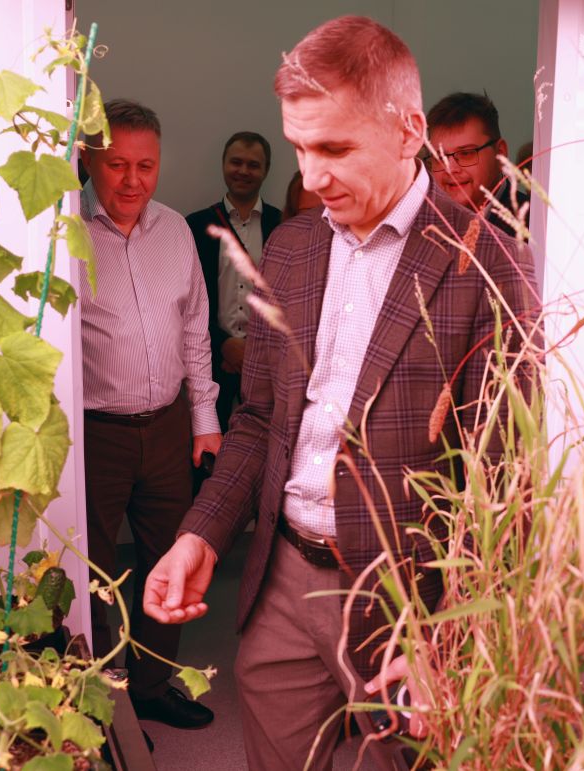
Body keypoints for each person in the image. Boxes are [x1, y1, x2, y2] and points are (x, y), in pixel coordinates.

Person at [143, 17, 539, 769]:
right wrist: (201, 533)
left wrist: (450, 632)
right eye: (298, 147)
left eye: (334, 148)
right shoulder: (291, 247)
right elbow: (259, 419)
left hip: (407, 603)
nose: (313, 175)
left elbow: (503, 484)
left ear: (409, 131)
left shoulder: (492, 266)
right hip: (281, 582)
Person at [78, 98, 221, 729]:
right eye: (117, 165)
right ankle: (98, 704)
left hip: (167, 427)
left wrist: (205, 418)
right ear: (88, 160)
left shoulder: (175, 229)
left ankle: (152, 687)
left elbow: (195, 327)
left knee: (170, 557)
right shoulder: (64, 233)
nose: (133, 181)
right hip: (94, 433)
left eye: (146, 165)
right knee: (92, 573)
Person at [186, 132, 283, 433]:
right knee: (209, 448)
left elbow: (291, 300)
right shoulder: (195, 225)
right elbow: (186, 301)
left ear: (266, 170)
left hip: (268, 367)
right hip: (210, 363)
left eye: (253, 165)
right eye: (236, 162)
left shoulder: (282, 225)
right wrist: (224, 344)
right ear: (223, 164)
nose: (243, 171)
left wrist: (253, 351)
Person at [425, 91, 519, 237]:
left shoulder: (535, 226)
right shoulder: (423, 226)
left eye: (465, 153)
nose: (450, 169)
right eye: (439, 157)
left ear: (500, 154)